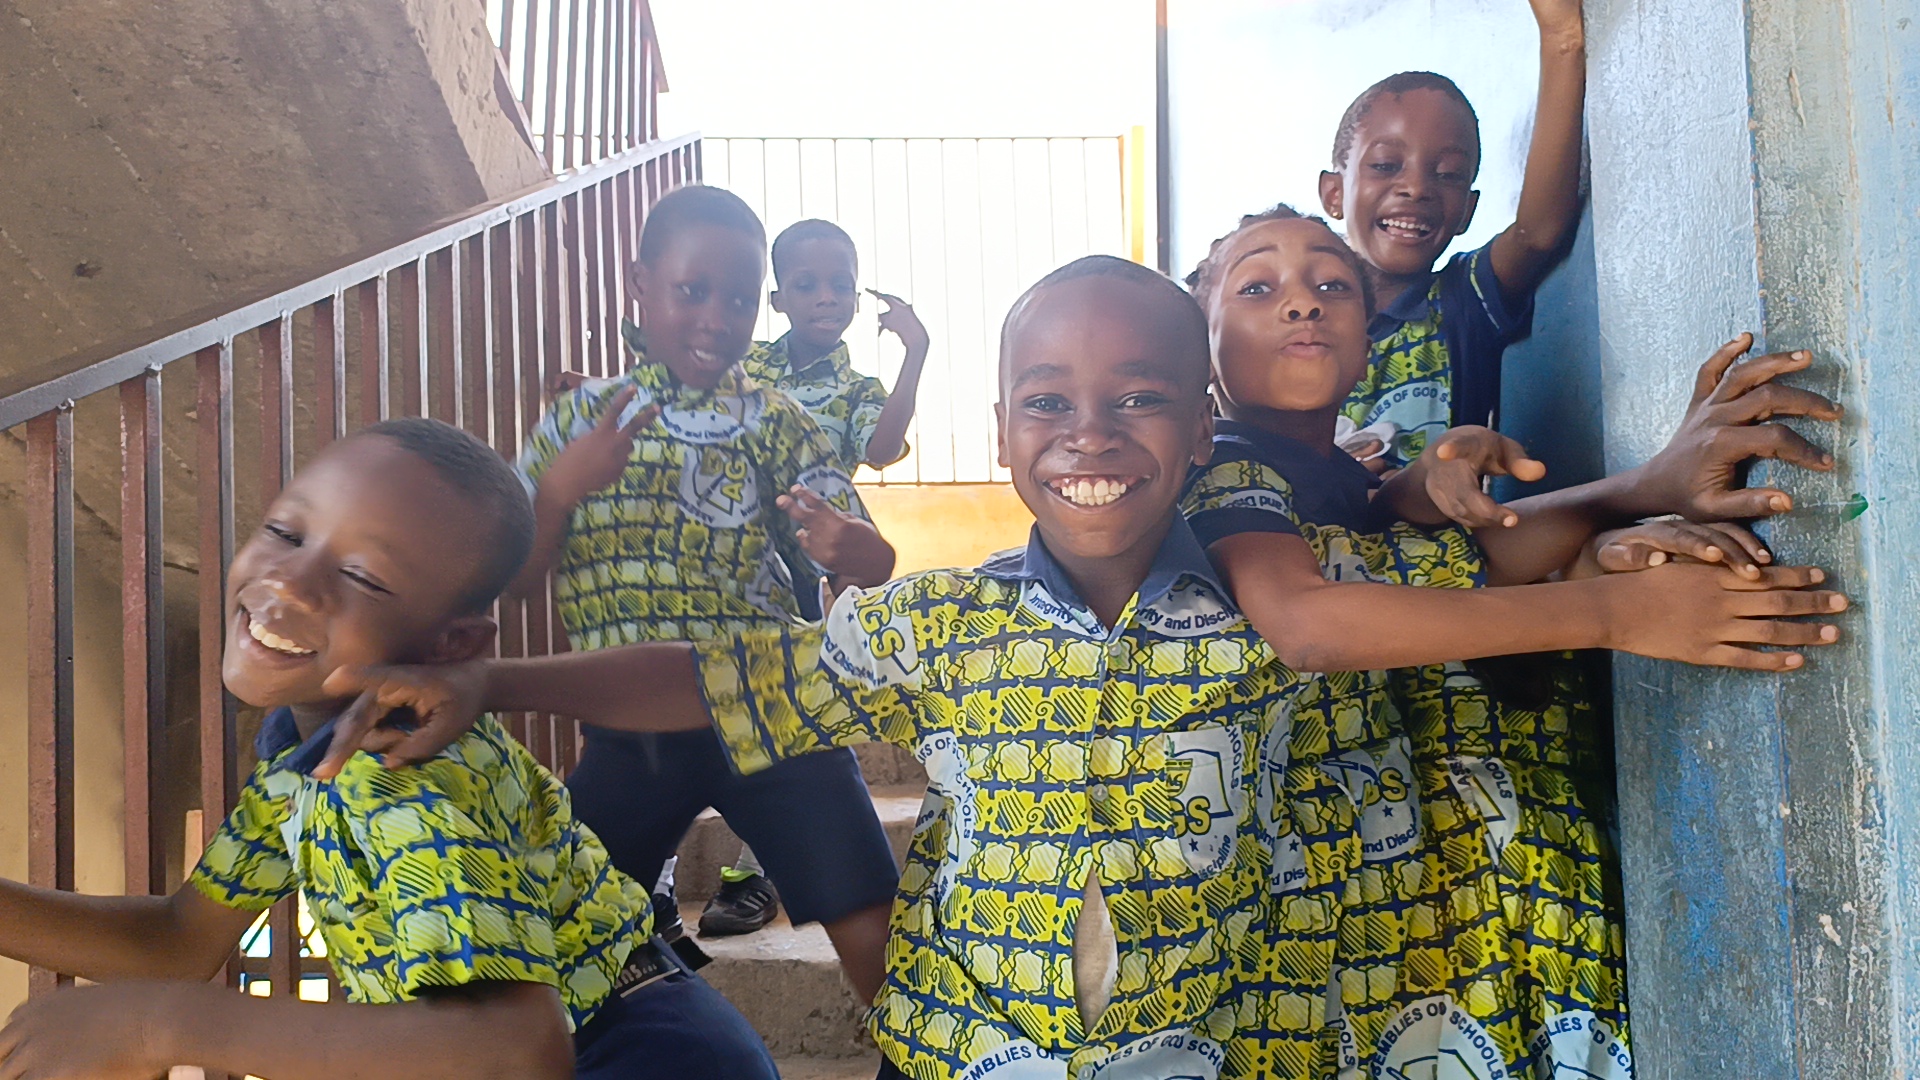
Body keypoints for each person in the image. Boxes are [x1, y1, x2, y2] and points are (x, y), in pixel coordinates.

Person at [1179, 205, 1845, 1078]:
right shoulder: (1226, 469)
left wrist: (1639, 494)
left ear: (1370, 338)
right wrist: (1615, 606)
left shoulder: (1332, 473)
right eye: (1257, 286)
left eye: (1331, 284)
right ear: (1201, 355)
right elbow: (1309, 623)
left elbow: (1441, 553)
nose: (1302, 301)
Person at [0, 418, 778, 1080]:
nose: (290, 582)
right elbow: (179, 939)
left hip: (639, 1056)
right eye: (285, 533)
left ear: (451, 644)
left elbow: (516, 1045)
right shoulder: (301, 757)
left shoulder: (404, 773)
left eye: (363, 578)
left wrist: (159, 1026)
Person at [509, 184, 903, 1001]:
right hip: (631, 721)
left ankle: (919, 1054)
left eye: (737, 299)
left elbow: (869, 558)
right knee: (547, 926)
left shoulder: (777, 418)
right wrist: (559, 492)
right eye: (692, 291)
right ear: (640, 283)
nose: (716, 319)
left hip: (769, 703)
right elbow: (512, 582)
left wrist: (854, 549)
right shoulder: (577, 421)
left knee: (868, 910)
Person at [705, 217, 931, 935]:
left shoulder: (857, 386)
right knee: (698, 724)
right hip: (722, 567)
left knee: (791, 723)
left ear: (857, 298)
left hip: (808, 576)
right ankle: (657, 885)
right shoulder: (745, 367)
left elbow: (882, 447)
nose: (825, 296)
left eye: (839, 284)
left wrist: (916, 353)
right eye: (806, 284)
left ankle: (754, 873)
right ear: (778, 300)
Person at [1320, 0, 1588, 469]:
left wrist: (1562, 39)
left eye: (1446, 174)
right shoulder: (1300, 318)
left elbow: (1537, 234)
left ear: (1467, 210)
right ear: (1334, 193)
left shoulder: (1462, 302)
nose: (1416, 188)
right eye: (1385, 165)